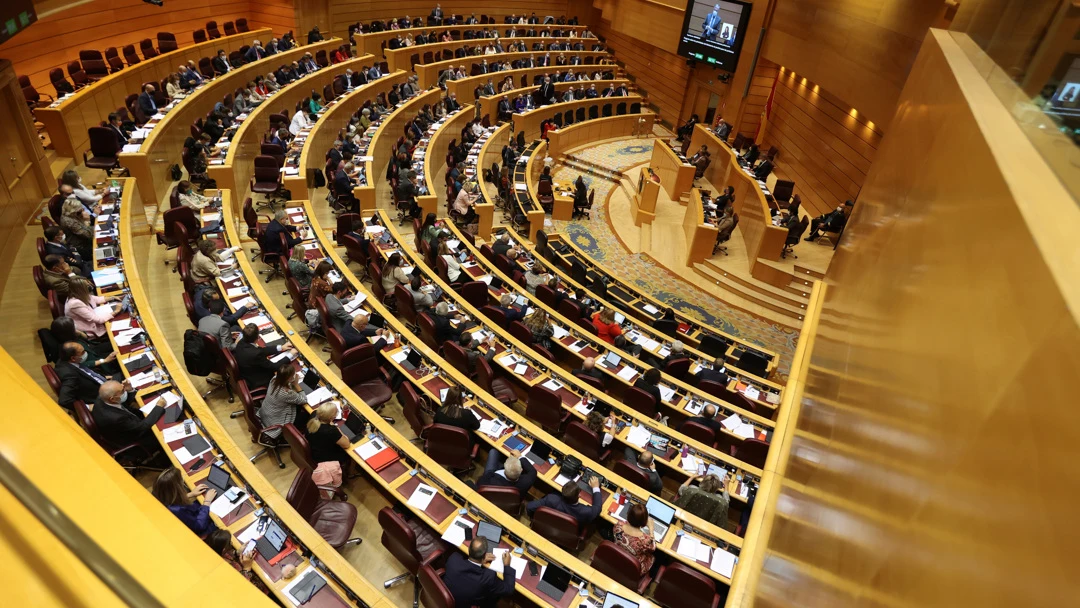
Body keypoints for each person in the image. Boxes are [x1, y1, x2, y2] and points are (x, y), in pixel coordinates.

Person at [93, 380, 164, 454]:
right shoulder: (115, 418)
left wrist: (130, 390)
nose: (125, 390)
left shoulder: (102, 398)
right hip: (136, 437)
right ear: (112, 399)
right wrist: (159, 406)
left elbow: (125, 402)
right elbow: (142, 427)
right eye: (122, 390)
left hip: (130, 421)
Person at [442, 538, 516, 608]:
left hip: (447, 600)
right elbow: (509, 589)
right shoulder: (488, 577)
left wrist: (480, 560)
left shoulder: (453, 558)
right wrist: (507, 565)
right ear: (484, 555)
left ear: (469, 549)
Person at [54, 341, 122, 410]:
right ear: (73, 358)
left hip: (103, 381)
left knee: (123, 373)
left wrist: (104, 377)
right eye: (82, 352)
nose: (85, 353)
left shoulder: (65, 360)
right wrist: (88, 407)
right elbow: (64, 401)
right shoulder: (69, 375)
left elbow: (87, 373)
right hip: (103, 395)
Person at [206, 529, 271, 596]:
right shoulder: (223, 569)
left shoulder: (216, 552)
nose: (231, 544)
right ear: (224, 549)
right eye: (229, 543)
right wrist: (247, 567)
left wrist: (237, 552)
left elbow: (229, 555)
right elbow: (242, 587)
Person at [233, 325, 294, 390]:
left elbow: (261, 350)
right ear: (257, 336)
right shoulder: (256, 354)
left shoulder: (241, 342)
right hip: (258, 379)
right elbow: (274, 367)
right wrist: (290, 354)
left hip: (246, 373)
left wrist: (281, 347)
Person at [525, 477, 602, 527]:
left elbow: (529, 507)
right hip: (568, 533)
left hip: (547, 525)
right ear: (579, 496)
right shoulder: (585, 511)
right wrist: (595, 487)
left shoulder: (551, 499)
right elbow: (598, 507)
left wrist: (535, 518)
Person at [260, 364, 307, 438]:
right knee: (307, 415)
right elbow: (304, 400)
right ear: (289, 378)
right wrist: (296, 385)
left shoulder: (274, 379)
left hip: (267, 414)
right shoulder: (286, 393)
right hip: (277, 421)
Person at [613, 503, 657, 577]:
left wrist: (636, 518)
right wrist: (651, 530)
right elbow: (653, 548)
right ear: (644, 522)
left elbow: (626, 523)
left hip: (617, 558)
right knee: (653, 557)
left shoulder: (618, 526)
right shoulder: (645, 540)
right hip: (633, 568)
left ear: (628, 515)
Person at [306, 402, 351, 469]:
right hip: (328, 459)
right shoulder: (330, 430)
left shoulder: (314, 414)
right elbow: (346, 445)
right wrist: (338, 429)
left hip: (316, 452)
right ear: (331, 417)